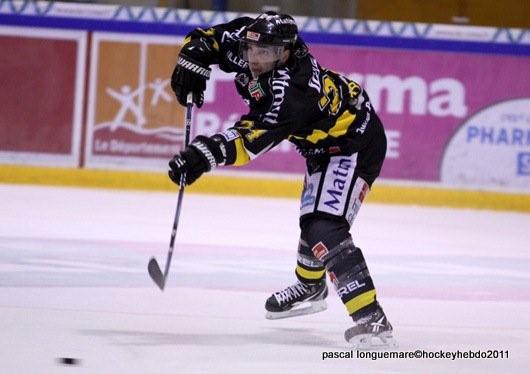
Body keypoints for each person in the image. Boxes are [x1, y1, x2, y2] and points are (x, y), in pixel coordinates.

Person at [168, 11, 396, 349]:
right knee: (311, 221)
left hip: (353, 143)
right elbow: (209, 39)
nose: (256, 60)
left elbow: (250, 140)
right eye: (252, 51)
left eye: (267, 54)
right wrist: (192, 60)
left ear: (287, 53)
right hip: (320, 145)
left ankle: (371, 317)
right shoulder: (253, 39)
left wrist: (205, 152)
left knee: (324, 227)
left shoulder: (293, 90)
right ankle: (310, 286)